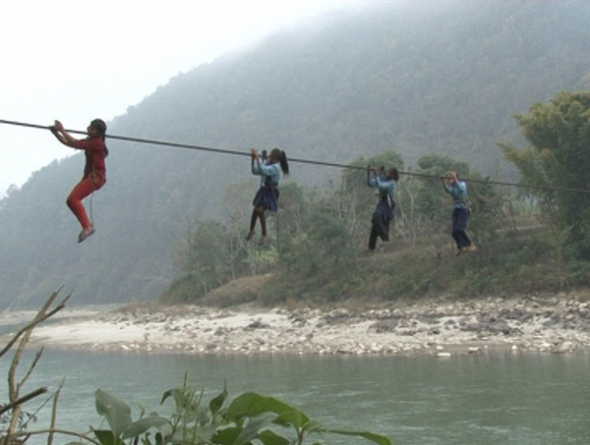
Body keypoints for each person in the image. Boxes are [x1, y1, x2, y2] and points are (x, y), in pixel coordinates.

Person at [50, 119, 108, 243]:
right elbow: (70, 143)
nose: (88, 129)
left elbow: (75, 142)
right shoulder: (91, 142)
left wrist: (61, 130)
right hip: (91, 178)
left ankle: (87, 226)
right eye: (89, 127)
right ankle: (87, 225)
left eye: (92, 128)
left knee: (72, 199)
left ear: (98, 133)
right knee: (71, 200)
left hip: (96, 178)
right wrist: (56, 134)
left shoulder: (97, 143)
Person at [246, 147, 289, 246]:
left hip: (271, 191)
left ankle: (264, 235)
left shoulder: (275, 168)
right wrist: (253, 160)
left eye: (272, 158)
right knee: (255, 210)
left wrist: (258, 159)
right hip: (264, 190)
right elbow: (255, 171)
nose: (270, 158)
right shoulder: (268, 165)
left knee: (260, 210)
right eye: (270, 156)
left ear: (276, 159)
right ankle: (251, 230)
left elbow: (264, 170)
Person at [441, 171, 476, 256]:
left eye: (451, 179)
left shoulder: (462, 184)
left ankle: (471, 244)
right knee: (454, 231)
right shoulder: (452, 188)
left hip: (463, 210)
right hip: (456, 210)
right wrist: (442, 181)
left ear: (455, 179)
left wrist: (455, 178)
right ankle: (461, 248)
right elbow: (447, 190)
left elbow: (461, 189)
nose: (450, 181)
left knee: (459, 229)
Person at [367, 166, 398, 251]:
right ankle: (371, 246)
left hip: (387, 203)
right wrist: (369, 173)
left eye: (390, 173)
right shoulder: (384, 180)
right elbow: (369, 183)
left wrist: (376, 174)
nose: (388, 173)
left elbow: (381, 186)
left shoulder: (392, 182)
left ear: (393, 175)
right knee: (375, 223)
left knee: (377, 217)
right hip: (382, 202)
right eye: (388, 172)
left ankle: (385, 239)